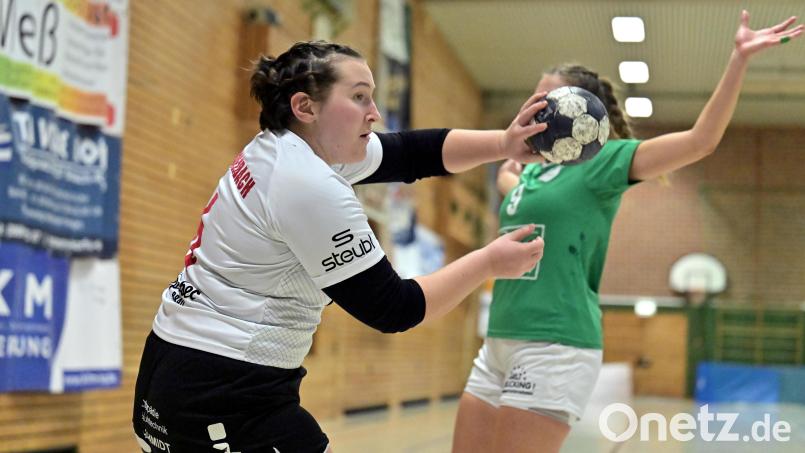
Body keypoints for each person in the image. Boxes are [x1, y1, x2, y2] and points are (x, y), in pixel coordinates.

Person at [132, 40, 550, 453]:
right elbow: (394, 308)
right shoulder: (308, 184)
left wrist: (504, 144)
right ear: (306, 107)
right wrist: (488, 261)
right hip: (220, 390)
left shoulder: (287, 147)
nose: (376, 113)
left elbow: (409, 153)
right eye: (359, 97)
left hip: (183, 365)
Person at [452, 11, 802, 453]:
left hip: (554, 345)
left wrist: (738, 60)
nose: (534, 103)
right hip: (499, 339)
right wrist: (510, 173)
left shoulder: (603, 163)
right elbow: (518, 190)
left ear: (576, 110)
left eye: (546, 97)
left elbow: (700, 141)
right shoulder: (531, 176)